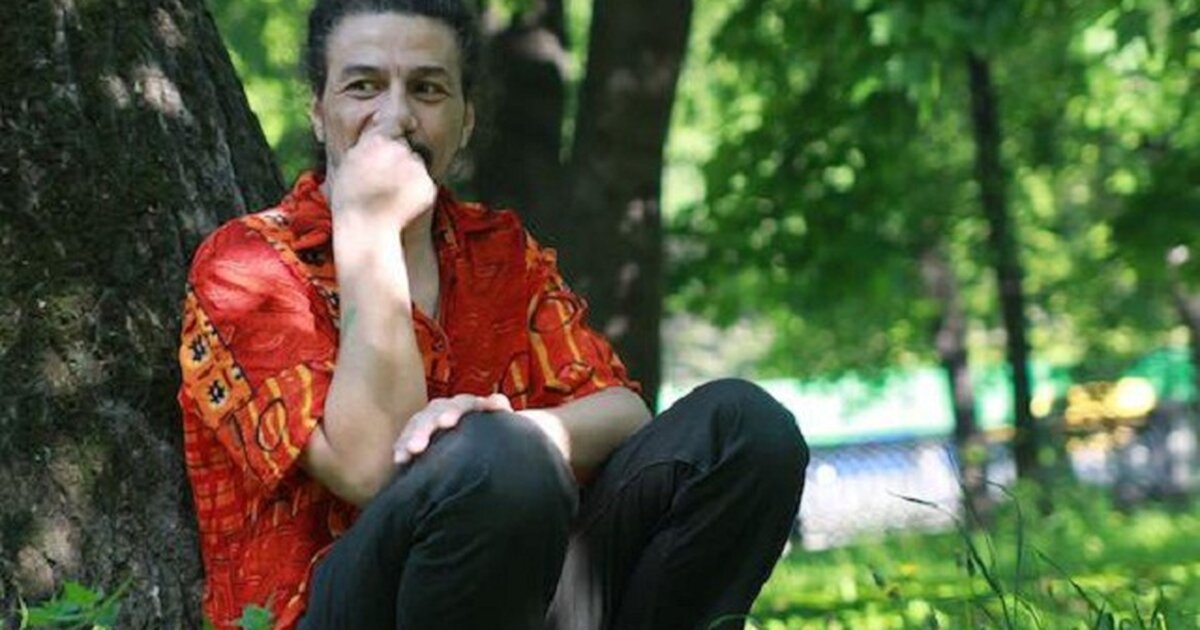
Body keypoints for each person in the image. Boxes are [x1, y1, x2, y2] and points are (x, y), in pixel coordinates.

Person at [177, 0, 809, 628]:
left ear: (466, 120)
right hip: (332, 608)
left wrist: (521, 428)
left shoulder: (499, 250)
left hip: (524, 588)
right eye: (363, 86)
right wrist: (369, 230)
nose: (395, 117)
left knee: (743, 428)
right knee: (497, 458)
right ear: (318, 112)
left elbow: (622, 413)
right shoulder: (249, 265)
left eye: (427, 89)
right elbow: (370, 470)